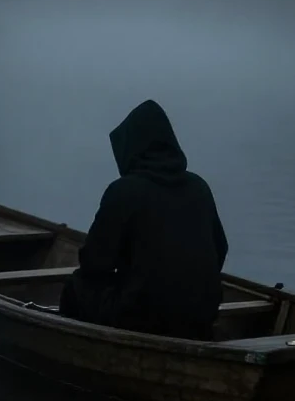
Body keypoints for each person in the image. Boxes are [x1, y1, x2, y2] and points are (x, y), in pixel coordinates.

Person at [59, 99, 228, 340]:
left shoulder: (124, 191)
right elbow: (220, 249)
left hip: (142, 319)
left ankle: (76, 349)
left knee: (76, 287)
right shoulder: (198, 186)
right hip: (202, 315)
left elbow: (94, 263)